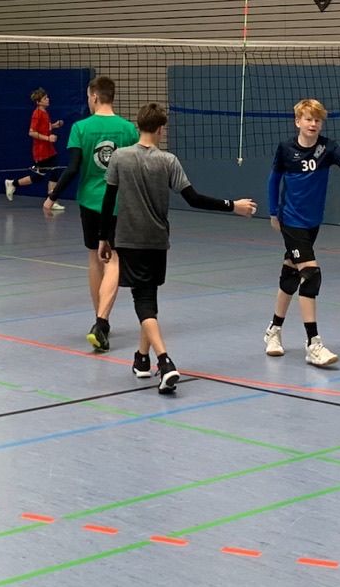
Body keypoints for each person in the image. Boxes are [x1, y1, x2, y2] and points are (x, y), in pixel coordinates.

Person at [97, 103, 255, 394]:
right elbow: (194, 199)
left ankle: (164, 362)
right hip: (157, 242)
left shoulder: (120, 157)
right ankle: (141, 359)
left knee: (144, 302)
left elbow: (108, 201)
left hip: (129, 240)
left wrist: (103, 238)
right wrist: (233, 205)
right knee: (149, 299)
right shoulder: (168, 161)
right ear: (161, 129)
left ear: (139, 126)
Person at [264, 97, 340, 368]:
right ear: (298, 122)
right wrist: (273, 212)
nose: (313, 124)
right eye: (308, 119)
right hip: (291, 220)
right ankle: (313, 344)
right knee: (311, 275)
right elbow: (274, 180)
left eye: (317, 120)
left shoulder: (328, 148)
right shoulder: (286, 149)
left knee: (290, 274)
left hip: (313, 221)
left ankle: (273, 330)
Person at [49, 77, 140, 351]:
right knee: (114, 258)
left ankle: (100, 321)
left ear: (95, 97)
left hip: (90, 202)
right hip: (118, 203)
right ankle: (102, 321)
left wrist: (52, 196)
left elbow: (73, 167)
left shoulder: (80, 128)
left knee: (95, 257)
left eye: (89, 97)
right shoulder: (128, 129)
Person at [4, 87, 63, 205]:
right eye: (45, 98)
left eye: (47, 97)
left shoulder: (44, 112)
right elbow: (31, 132)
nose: (48, 99)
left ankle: (51, 200)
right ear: (38, 102)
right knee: (41, 176)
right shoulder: (37, 114)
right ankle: (12, 183)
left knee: (53, 172)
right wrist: (48, 138)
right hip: (41, 150)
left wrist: (54, 125)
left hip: (49, 149)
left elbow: (44, 127)